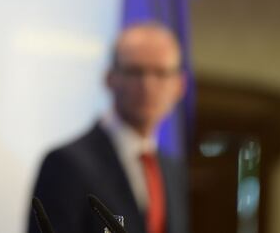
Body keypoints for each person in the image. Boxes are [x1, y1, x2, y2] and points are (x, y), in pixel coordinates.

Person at [29, 22, 189, 233]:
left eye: (160, 73)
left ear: (179, 85)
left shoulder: (173, 172)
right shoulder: (66, 164)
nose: (148, 85)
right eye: (135, 71)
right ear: (110, 78)